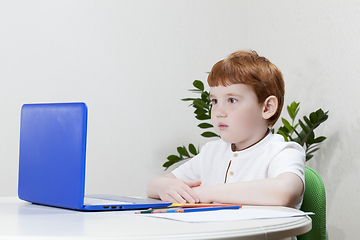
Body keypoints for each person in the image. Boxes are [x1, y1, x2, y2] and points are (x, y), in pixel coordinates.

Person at [147, 50, 305, 209]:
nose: (218, 111)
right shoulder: (212, 152)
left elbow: (285, 191)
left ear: (267, 107)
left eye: (232, 100)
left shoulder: (283, 152)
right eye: (214, 101)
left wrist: (207, 193)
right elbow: (153, 186)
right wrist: (164, 187)